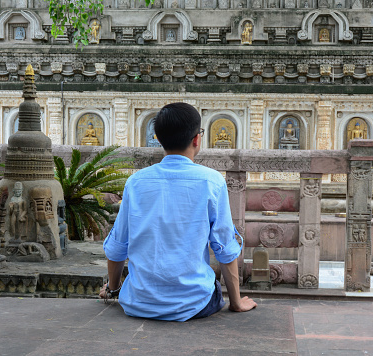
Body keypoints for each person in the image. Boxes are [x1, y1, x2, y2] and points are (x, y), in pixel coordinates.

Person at [100, 102, 257, 321]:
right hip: (195, 304)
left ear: (158, 138)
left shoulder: (136, 182)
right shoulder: (211, 181)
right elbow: (224, 246)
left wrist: (113, 289)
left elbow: (118, 245)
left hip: (138, 302)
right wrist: (236, 302)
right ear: (196, 139)